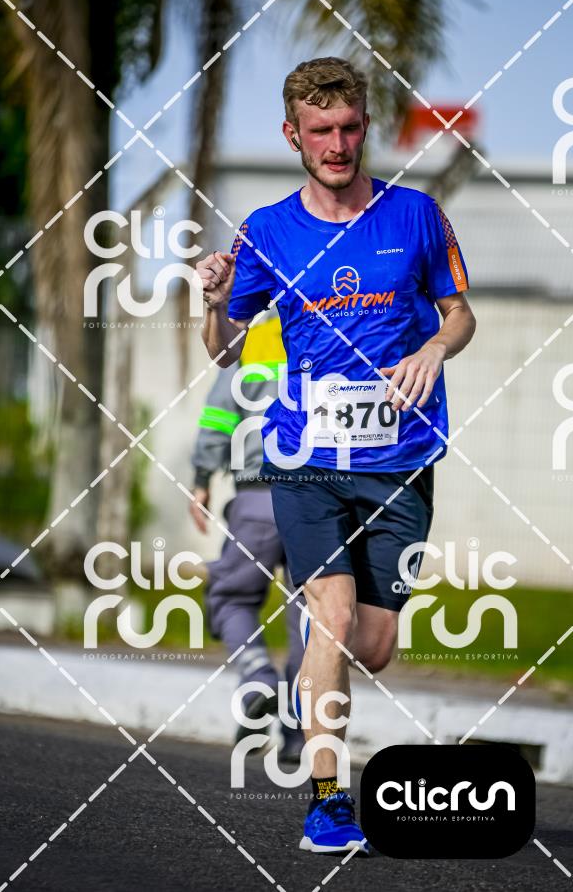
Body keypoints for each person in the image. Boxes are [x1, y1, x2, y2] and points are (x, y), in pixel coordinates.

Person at [197, 56, 476, 856]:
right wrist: (212, 305)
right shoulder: (267, 231)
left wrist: (433, 348)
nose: (338, 144)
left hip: (401, 458)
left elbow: (460, 315)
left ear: (365, 127)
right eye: (321, 130)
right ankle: (328, 800)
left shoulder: (416, 215)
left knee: (373, 647)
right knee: (333, 615)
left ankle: (314, 684)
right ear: (294, 135)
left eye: (350, 128)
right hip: (304, 460)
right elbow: (224, 353)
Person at [190, 312, 304, 762]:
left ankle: (258, 677)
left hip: (257, 497)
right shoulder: (330, 335)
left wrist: (202, 478)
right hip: (319, 501)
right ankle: (299, 736)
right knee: (311, 619)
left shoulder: (250, 341)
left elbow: (220, 413)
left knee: (230, 597)